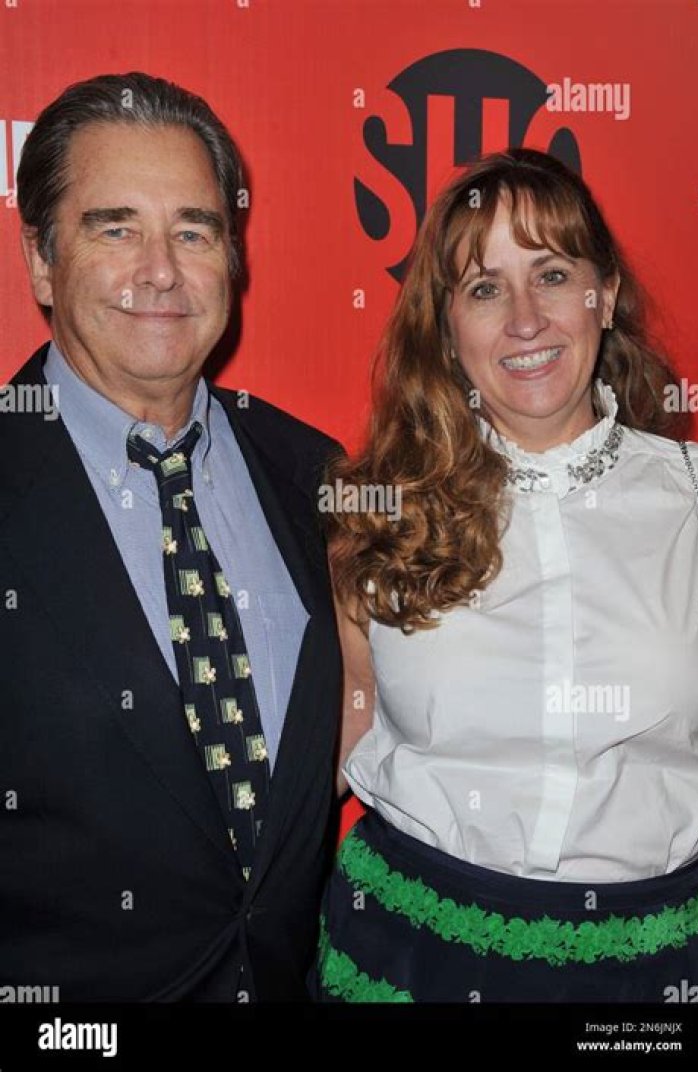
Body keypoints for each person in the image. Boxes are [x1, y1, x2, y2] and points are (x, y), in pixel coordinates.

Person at [311, 148, 698, 1003]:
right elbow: (343, 737)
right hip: (407, 957)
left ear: (604, 293)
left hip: (651, 975)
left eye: (553, 275)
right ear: (447, 328)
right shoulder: (377, 515)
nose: (526, 320)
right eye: (485, 288)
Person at [0, 71, 343, 1002]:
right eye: (115, 229)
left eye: (194, 231)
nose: (160, 270)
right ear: (40, 261)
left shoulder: (315, 476)